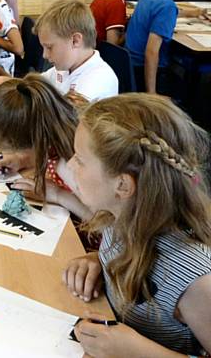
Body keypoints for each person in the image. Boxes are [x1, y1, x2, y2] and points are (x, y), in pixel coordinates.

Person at [64, 93, 211, 357]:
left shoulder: (196, 280)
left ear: (122, 185)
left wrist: (137, 351)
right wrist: (97, 261)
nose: (71, 164)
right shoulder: (117, 217)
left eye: (80, 159)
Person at [0, 74, 91, 220]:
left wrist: (57, 194)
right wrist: (22, 160)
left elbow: (106, 224)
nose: (4, 154)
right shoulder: (53, 118)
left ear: (34, 142)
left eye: (10, 149)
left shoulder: (73, 160)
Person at [126, 0, 206, 95]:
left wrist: (191, 13)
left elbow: (159, 14)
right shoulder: (167, 7)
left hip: (130, 66)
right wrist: (152, 93)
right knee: (189, 88)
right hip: (145, 72)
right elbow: (151, 52)